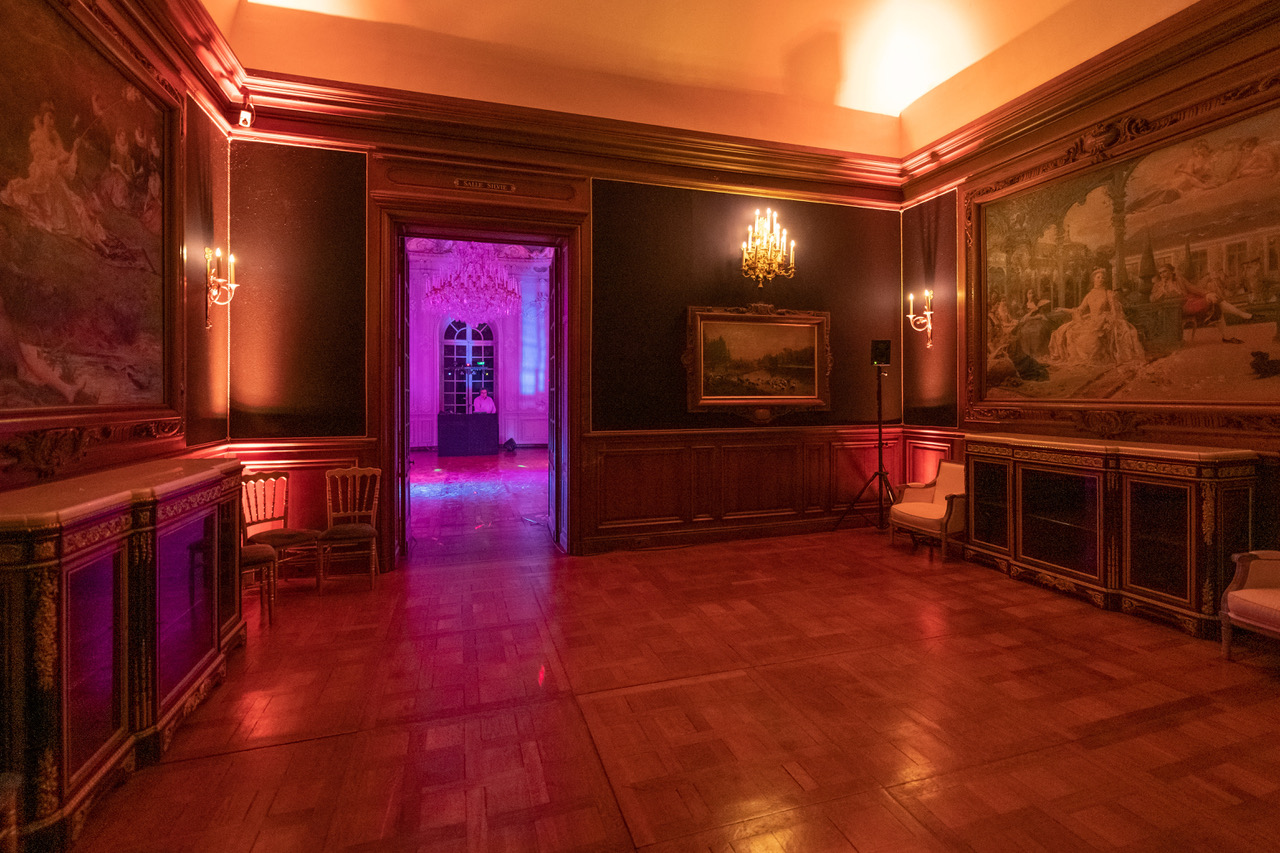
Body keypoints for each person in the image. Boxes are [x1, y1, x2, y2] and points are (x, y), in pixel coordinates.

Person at [1048, 267, 1144, 365]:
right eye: (1098, 277)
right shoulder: (1089, 295)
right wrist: (1063, 309)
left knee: (1093, 337)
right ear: (1093, 279)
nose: (1100, 279)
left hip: (1104, 320)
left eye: (1102, 278)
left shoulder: (1108, 293)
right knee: (1069, 332)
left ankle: (1094, 358)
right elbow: (1079, 310)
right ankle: (1082, 358)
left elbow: (1115, 310)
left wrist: (1110, 321)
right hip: (1091, 320)